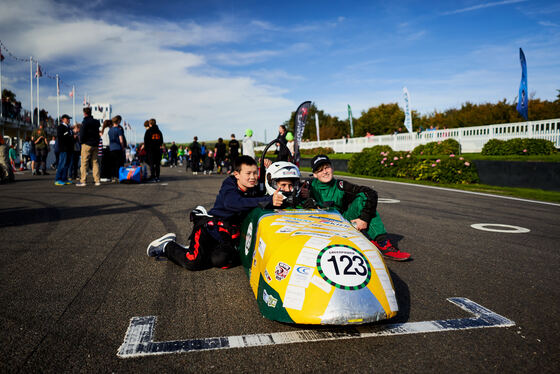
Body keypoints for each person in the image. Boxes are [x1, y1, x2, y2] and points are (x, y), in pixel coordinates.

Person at [146, 155, 284, 270]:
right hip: (211, 227)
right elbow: (233, 203)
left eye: (255, 173)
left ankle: (196, 249)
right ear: (236, 174)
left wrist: (270, 171)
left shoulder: (256, 186)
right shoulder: (229, 184)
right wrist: (268, 200)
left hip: (228, 233)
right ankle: (167, 246)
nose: (253, 177)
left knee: (222, 260)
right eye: (248, 173)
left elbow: (278, 187)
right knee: (193, 262)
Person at [306, 155, 411, 261]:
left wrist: (364, 219)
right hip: (316, 226)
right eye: (320, 170)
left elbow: (370, 193)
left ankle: (382, 242)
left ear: (332, 168)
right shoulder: (307, 186)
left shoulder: (341, 185)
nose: (325, 172)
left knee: (364, 199)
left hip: (340, 224)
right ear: (314, 174)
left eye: (327, 167)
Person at [77, 107, 101, 187]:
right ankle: (97, 180)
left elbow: (82, 133)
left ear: (84, 113)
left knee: (84, 163)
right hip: (95, 144)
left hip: (87, 144)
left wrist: (81, 142)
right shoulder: (96, 122)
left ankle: (83, 181)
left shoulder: (85, 122)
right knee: (95, 162)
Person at [54, 114, 74, 185]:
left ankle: (64, 178)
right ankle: (57, 179)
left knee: (67, 164)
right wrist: (68, 133)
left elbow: (70, 137)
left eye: (69, 119)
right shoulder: (60, 127)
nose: (68, 120)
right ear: (63, 119)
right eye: (67, 118)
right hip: (63, 148)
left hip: (69, 148)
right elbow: (60, 136)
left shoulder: (69, 127)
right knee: (62, 164)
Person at [108, 115, 126, 181]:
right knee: (119, 163)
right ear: (118, 121)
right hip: (118, 148)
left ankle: (113, 176)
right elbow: (121, 140)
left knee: (112, 164)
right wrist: (123, 147)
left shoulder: (110, 130)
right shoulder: (119, 130)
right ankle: (118, 176)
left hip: (111, 148)